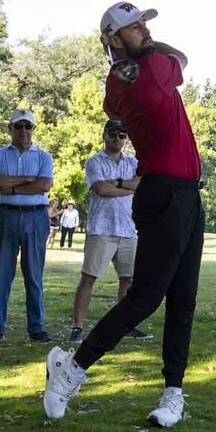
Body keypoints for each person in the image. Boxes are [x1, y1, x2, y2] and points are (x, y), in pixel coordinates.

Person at [44, 1, 205, 429]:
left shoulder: (122, 79)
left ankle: (173, 393)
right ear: (113, 40)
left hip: (187, 196)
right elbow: (182, 59)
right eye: (134, 27)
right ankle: (71, 370)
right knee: (146, 297)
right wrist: (144, 50)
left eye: (144, 25)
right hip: (164, 193)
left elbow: (115, 97)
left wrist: (136, 47)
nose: (145, 32)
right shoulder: (149, 71)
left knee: (183, 299)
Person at [68, 119, 151, 343]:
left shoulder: (134, 162)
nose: (117, 139)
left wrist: (118, 183)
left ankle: (125, 326)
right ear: (104, 135)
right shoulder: (94, 162)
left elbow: (142, 184)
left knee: (129, 279)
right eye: (113, 134)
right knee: (89, 277)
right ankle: (77, 327)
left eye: (122, 135)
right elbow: (101, 189)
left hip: (128, 228)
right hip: (101, 227)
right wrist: (127, 186)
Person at [0, 108, 54, 343]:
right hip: (6, 216)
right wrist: (26, 180)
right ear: (10, 128)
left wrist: (9, 186)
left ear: (33, 129)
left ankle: (36, 328)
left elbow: (44, 185)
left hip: (35, 216)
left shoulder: (44, 157)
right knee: (2, 273)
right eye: (18, 126)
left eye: (27, 126)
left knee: (33, 274)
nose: (23, 130)